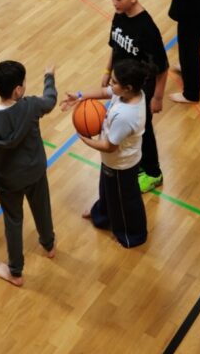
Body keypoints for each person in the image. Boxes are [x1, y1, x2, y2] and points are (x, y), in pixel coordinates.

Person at [0, 60, 57, 286]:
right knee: (42, 209)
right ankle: (49, 245)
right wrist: (49, 77)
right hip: (35, 172)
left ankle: (16, 272)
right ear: (18, 90)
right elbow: (50, 100)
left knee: (13, 222)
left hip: (8, 181)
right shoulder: (31, 106)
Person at [61, 60, 148, 248]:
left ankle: (131, 235)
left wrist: (84, 139)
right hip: (112, 161)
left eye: (114, 82)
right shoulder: (129, 94)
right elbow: (104, 92)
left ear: (127, 88)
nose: (110, 83)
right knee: (107, 191)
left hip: (121, 165)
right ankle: (102, 216)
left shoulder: (126, 116)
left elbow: (109, 146)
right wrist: (79, 96)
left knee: (125, 200)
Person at [101, 0, 169, 194]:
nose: (114, 3)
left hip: (141, 90)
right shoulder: (119, 15)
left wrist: (157, 97)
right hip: (121, 85)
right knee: (128, 128)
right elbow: (115, 46)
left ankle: (154, 173)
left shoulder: (147, 28)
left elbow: (163, 67)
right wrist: (107, 71)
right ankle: (137, 164)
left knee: (144, 131)